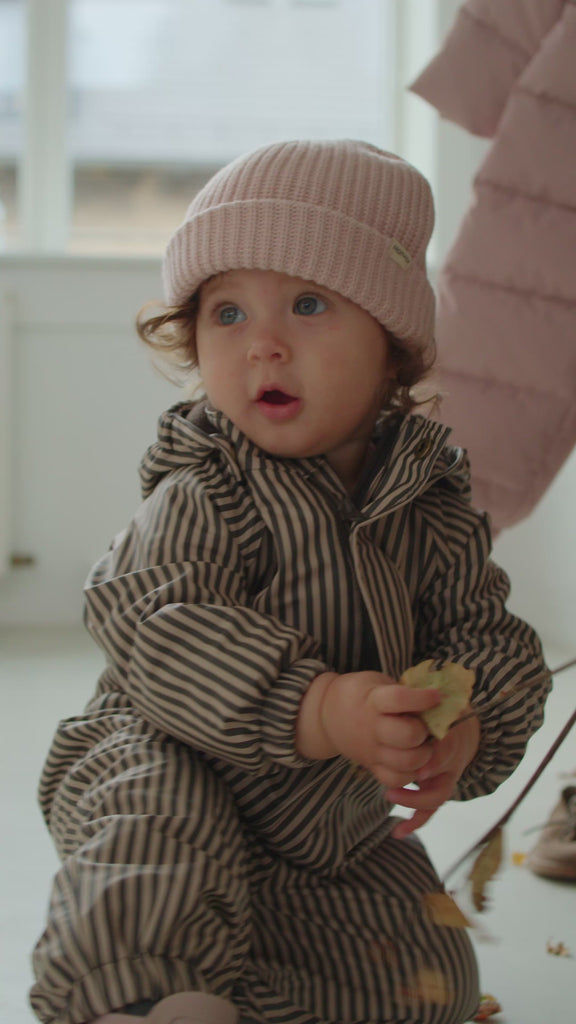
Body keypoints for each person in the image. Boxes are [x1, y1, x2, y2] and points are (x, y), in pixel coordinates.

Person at [30, 139, 551, 1024]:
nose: (263, 345)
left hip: (323, 815)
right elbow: (159, 618)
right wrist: (318, 706)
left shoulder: (432, 506)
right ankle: (148, 1003)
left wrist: (465, 727)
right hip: (172, 756)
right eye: (227, 313)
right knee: (158, 846)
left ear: (392, 349)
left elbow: (486, 638)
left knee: (426, 975)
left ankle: (233, 993)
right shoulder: (208, 485)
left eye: (308, 304)